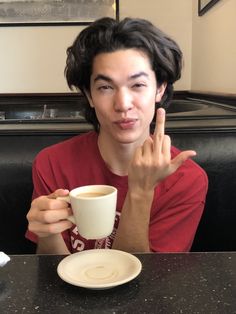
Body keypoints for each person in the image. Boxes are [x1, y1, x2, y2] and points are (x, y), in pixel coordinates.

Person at [26, 17, 208, 254]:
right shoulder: (52, 163)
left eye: (138, 85)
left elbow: (149, 282)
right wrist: (47, 233)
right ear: (89, 95)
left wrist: (141, 191)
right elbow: (53, 274)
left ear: (160, 88)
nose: (122, 104)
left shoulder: (186, 180)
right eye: (105, 87)